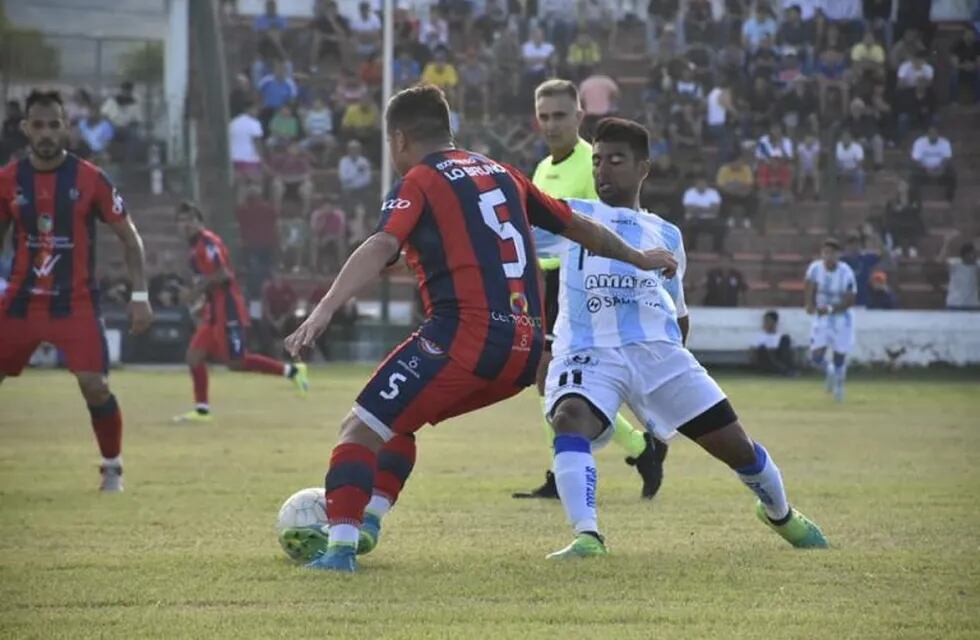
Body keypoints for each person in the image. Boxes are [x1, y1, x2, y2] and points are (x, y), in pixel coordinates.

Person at [279, 85, 677, 572]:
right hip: (524, 349)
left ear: (400, 138)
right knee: (394, 424)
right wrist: (638, 258)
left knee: (358, 430)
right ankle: (368, 524)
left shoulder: (420, 180)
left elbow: (381, 243)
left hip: (464, 337)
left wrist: (322, 311)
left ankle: (339, 549)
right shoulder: (502, 172)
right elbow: (578, 227)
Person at [540, 117, 828, 558]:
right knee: (570, 416)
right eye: (597, 161)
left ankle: (781, 515)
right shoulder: (571, 217)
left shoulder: (667, 234)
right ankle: (588, 536)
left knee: (739, 449)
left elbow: (678, 312)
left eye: (616, 160)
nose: (602, 170)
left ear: (644, 168)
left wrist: (679, 362)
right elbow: (511, 224)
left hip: (659, 356)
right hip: (590, 353)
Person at [512, 79, 666, 502]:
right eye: (543, 116)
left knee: (557, 379)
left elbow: (602, 228)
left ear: (580, 116)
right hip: (547, 284)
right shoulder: (543, 168)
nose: (551, 124)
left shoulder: (590, 164)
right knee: (551, 382)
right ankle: (636, 447)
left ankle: (597, 461)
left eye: (560, 115)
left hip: (580, 287)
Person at [0, 90, 154, 492]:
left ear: (66, 128)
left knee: (95, 385)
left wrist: (140, 296)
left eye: (54, 125)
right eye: (38, 125)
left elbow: (129, 237)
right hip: (20, 302)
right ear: (25, 129)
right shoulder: (8, 180)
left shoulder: (90, 179)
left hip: (76, 303)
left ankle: (112, 468)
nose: (47, 133)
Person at [171, 201, 309, 423]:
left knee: (236, 362)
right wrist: (201, 301)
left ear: (199, 223)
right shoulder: (194, 250)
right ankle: (202, 409)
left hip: (228, 308)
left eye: (190, 220)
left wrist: (195, 293)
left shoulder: (208, 243)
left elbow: (223, 274)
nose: (185, 225)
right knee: (194, 356)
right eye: (181, 221)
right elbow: (210, 280)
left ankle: (292, 371)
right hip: (213, 310)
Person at [805, 237, 857, 403]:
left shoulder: (846, 273)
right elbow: (809, 285)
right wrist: (809, 304)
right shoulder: (815, 268)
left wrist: (830, 309)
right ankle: (829, 371)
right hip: (822, 319)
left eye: (832, 253)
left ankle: (839, 387)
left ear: (838, 255)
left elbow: (850, 300)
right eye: (825, 253)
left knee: (839, 355)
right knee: (815, 356)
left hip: (842, 319)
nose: (828, 256)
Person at [909, 126, 956, 202]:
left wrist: (941, 168)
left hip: (940, 170)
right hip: (923, 170)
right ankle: (915, 200)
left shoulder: (945, 143)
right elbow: (916, 160)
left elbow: (947, 158)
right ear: (927, 135)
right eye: (931, 134)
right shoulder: (919, 142)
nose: (933, 135)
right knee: (913, 174)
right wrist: (926, 169)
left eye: (935, 133)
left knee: (952, 172)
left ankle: (949, 198)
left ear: (938, 134)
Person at [716, 147, 757, 228]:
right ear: (731, 162)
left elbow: (749, 184)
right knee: (722, 196)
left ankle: (747, 219)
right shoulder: (723, 169)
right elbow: (721, 186)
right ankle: (728, 219)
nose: (740, 163)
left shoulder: (746, 168)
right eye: (738, 161)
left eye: (741, 161)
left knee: (753, 196)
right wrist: (739, 185)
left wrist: (733, 185)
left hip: (743, 194)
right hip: (728, 194)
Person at [938, 232, 979, 311]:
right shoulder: (955, 264)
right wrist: (946, 243)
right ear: (966, 254)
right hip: (955, 304)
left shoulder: (977, 266)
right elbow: (940, 260)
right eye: (973, 253)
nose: (975, 255)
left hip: (972, 305)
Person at [683, 176, 725, 253]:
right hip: (693, 219)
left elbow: (715, 211)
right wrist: (708, 209)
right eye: (699, 184)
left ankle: (716, 250)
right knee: (687, 226)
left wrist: (697, 208)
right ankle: (691, 250)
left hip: (711, 219)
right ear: (696, 184)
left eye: (703, 184)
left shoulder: (713, 193)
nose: (701, 185)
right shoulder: (689, 193)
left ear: (706, 184)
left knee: (721, 226)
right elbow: (689, 210)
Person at [751, 310, 796, 376]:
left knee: (785, 338)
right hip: (766, 360)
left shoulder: (781, 336)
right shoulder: (759, 336)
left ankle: (785, 369)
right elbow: (754, 354)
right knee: (763, 348)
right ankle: (785, 370)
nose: (765, 323)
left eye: (768, 321)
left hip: (779, 359)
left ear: (774, 322)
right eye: (765, 321)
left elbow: (786, 352)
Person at [949, 27, 980, 104]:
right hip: (960, 69)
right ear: (963, 35)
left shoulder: (977, 45)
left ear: (974, 36)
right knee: (953, 73)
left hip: (974, 68)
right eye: (967, 34)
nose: (969, 36)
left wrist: (973, 65)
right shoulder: (957, 45)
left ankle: (978, 100)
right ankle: (954, 100)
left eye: (971, 34)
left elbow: (979, 62)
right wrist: (965, 66)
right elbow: (954, 64)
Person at [835, 129, 865, 197]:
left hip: (854, 170)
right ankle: (833, 195)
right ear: (841, 139)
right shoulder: (837, 146)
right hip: (840, 169)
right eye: (843, 137)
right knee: (831, 172)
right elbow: (835, 161)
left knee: (861, 174)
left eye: (847, 137)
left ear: (851, 139)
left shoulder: (857, 147)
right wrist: (842, 169)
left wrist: (849, 170)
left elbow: (860, 164)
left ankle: (858, 196)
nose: (845, 139)